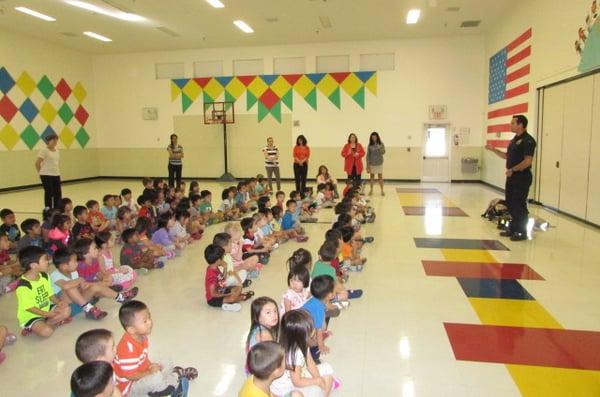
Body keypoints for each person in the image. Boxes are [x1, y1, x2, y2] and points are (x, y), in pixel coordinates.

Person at [113, 300, 197, 396]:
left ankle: (172, 379)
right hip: (129, 388)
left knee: (166, 361)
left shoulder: (141, 336)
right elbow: (130, 376)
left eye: (149, 317)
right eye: (145, 321)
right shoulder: (127, 349)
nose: (150, 322)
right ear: (132, 329)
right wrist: (150, 372)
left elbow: (143, 360)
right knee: (156, 379)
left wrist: (153, 367)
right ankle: (175, 381)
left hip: (142, 373)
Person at [485, 115, 536, 242]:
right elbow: (506, 156)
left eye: (513, 123)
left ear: (520, 125)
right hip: (512, 177)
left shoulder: (528, 141)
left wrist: (513, 170)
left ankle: (522, 232)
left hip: (521, 177)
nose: (510, 125)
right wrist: (493, 150)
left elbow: (528, 161)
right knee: (511, 204)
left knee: (519, 204)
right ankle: (513, 229)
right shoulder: (514, 140)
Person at [270, 310, 337, 397]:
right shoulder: (293, 354)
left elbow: (310, 363)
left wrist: (318, 378)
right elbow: (297, 382)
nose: (314, 330)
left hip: (299, 376)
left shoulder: (301, 343)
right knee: (308, 391)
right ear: (301, 335)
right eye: (311, 329)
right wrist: (316, 381)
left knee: (327, 368)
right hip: (287, 388)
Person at [16, 246, 72, 338]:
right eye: (45, 260)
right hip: (31, 315)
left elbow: (50, 295)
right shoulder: (23, 286)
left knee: (67, 309)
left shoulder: (44, 276)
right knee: (47, 332)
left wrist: (59, 302)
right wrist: (46, 314)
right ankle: (33, 326)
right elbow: (30, 308)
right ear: (34, 265)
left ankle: (48, 322)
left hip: (46, 308)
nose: (48, 262)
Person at [35, 133, 62, 211]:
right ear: (48, 141)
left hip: (56, 174)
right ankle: (48, 209)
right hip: (46, 174)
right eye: (53, 140)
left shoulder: (57, 150)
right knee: (49, 193)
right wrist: (40, 173)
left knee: (58, 193)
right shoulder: (44, 150)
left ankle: (57, 208)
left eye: (56, 140)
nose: (55, 141)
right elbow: (37, 163)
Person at [366, 131, 386, 196]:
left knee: (380, 176)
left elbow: (383, 152)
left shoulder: (381, 144)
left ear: (377, 137)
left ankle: (382, 190)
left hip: (379, 162)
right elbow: (368, 155)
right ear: (371, 138)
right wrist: (367, 165)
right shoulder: (370, 145)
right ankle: (371, 190)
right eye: (372, 137)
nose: (374, 138)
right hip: (372, 163)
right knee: (372, 177)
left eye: (375, 137)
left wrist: (379, 148)